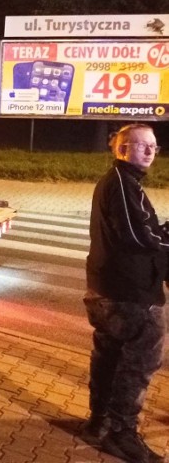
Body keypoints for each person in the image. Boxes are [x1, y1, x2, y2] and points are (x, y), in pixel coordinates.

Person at [83, 123, 169, 463]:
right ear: (121, 150)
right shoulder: (120, 184)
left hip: (110, 289)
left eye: (154, 146)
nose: (149, 151)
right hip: (130, 295)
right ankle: (121, 434)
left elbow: (141, 230)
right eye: (140, 145)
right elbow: (137, 237)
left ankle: (99, 423)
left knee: (110, 355)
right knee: (139, 364)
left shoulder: (124, 183)